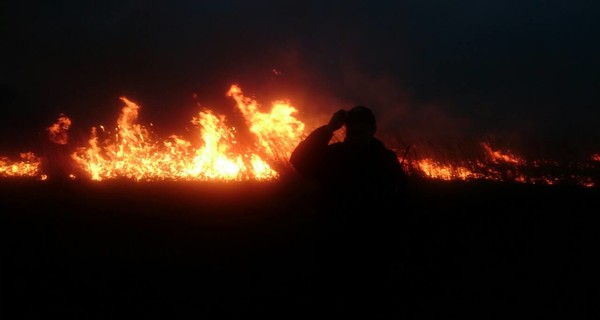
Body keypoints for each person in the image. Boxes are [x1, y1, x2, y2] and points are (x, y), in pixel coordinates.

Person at [289, 106, 408, 317]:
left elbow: (398, 207)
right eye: (352, 132)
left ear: (372, 130)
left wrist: (397, 254)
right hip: (332, 243)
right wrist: (328, 129)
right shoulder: (334, 157)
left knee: (365, 303)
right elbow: (299, 160)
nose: (356, 138)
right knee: (327, 300)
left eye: (361, 133)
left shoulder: (385, 161)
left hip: (371, 247)